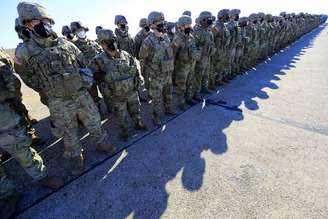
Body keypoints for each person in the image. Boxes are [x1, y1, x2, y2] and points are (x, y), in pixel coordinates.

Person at [15, 1, 116, 176]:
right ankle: (76, 157)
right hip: (58, 100)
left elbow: (82, 63)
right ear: (28, 24)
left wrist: (82, 82)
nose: (44, 24)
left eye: (46, 20)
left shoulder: (65, 43)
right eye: (37, 21)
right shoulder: (24, 51)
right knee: (69, 132)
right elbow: (28, 78)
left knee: (94, 121)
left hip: (80, 94)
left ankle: (102, 143)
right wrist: (50, 88)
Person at [0, 49, 63, 219]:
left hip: (3, 117)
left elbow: (12, 87)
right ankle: (6, 193)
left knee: (21, 150)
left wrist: (18, 111)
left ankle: (42, 177)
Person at [89, 29, 147, 141]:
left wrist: (137, 80)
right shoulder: (98, 60)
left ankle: (137, 123)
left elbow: (135, 68)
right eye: (107, 41)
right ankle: (124, 130)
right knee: (121, 114)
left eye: (113, 39)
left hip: (131, 91)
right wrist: (102, 78)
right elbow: (91, 75)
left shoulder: (125, 54)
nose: (112, 43)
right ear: (102, 44)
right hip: (115, 95)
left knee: (135, 109)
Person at [139, 11, 176, 126]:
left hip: (168, 72)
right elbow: (142, 59)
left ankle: (168, 109)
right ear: (152, 25)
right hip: (156, 75)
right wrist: (148, 74)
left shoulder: (166, 38)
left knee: (168, 93)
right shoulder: (147, 42)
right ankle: (156, 116)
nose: (162, 24)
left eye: (162, 21)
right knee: (156, 98)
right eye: (159, 22)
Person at [171, 15, 200, 110]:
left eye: (190, 24)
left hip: (191, 64)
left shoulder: (191, 36)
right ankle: (181, 102)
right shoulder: (177, 38)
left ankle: (188, 98)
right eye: (188, 25)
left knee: (190, 82)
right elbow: (173, 53)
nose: (190, 27)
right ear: (182, 26)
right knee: (181, 85)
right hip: (181, 66)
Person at [193, 11, 216, 99]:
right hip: (201, 58)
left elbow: (211, 42)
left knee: (206, 73)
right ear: (202, 20)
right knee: (198, 75)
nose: (210, 21)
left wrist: (212, 49)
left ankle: (204, 88)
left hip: (208, 56)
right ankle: (196, 93)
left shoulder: (208, 31)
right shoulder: (197, 31)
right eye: (208, 19)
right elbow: (194, 45)